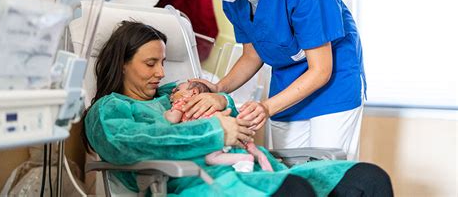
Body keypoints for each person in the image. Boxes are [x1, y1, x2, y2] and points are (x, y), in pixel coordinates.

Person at [82, 21, 393, 196]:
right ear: (121, 64)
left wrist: (221, 100)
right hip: (199, 184)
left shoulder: (172, 94)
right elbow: (130, 145)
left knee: (369, 179)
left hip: (257, 168)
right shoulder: (110, 111)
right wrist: (215, 131)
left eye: (163, 62)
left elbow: (231, 114)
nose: (161, 73)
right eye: (150, 64)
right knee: (294, 192)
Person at [185, 0, 366, 160]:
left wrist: (266, 107)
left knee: (328, 173)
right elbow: (252, 55)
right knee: (287, 173)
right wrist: (219, 88)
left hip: (332, 84)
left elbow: (321, 70)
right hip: (287, 84)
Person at [164, 81, 273, 171]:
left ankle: (244, 159)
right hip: (233, 126)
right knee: (250, 146)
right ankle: (261, 158)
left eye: (177, 90)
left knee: (211, 158)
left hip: (217, 133)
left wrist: (165, 113)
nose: (172, 93)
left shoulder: (183, 101)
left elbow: (172, 119)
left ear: (193, 92)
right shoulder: (212, 105)